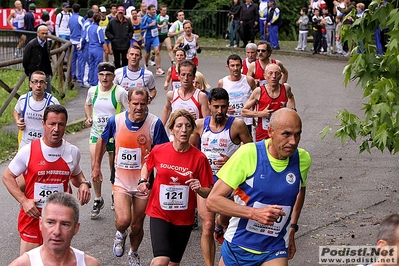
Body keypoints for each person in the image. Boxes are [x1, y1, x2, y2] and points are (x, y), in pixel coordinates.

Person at [207, 108, 312, 266]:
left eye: (297, 134)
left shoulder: (303, 159)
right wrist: (254, 213)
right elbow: (213, 200)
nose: (293, 141)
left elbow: (299, 190)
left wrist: (292, 227)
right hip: (239, 245)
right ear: (270, 131)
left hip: (275, 248)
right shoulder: (249, 154)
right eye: (286, 134)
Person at [91, 87, 169, 266]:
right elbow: (102, 140)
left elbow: (164, 151)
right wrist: (96, 166)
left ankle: (133, 252)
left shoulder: (154, 123)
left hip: (143, 183)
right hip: (121, 181)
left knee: (137, 224)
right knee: (124, 220)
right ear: (128, 103)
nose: (139, 107)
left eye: (143, 103)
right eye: (135, 103)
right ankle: (120, 233)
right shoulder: (116, 121)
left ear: (148, 102)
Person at [2, 104, 92, 255]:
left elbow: (76, 175)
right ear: (43, 124)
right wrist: (24, 201)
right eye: (52, 124)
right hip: (33, 216)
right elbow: (7, 176)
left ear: (65, 126)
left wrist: (84, 183)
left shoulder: (72, 152)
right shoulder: (28, 150)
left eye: (60, 124)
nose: (56, 129)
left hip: (59, 219)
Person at [137, 109, 213, 266]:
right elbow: (147, 165)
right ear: (171, 129)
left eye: (187, 126)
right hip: (159, 212)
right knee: (161, 260)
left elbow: (208, 191)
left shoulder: (199, 158)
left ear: (193, 129)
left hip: (184, 219)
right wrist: (143, 180)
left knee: (173, 263)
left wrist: (199, 189)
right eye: (179, 126)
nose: (183, 130)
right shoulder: (159, 150)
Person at [190, 88, 253, 266]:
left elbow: (251, 151)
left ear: (228, 106)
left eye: (223, 107)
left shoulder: (237, 125)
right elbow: (191, 149)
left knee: (225, 220)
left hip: (229, 182)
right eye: (216, 106)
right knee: (207, 226)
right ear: (209, 105)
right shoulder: (200, 124)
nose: (220, 111)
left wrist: (232, 160)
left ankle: (221, 222)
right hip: (206, 181)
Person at [84, 62, 129, 219]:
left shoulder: (120, 92)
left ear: (113, 77)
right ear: (98, 76)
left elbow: (129, 110)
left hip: (114, 134)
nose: (105, 78)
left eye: (108, 75)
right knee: (94, 164)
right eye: (102, 75)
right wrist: (89, 117)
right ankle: (98, 198)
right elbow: (87, 104)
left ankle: (113, 194)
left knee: (113, 167)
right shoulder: (93, 91)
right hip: (97, 133)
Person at [9, 192, 100, 266]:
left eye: (65, 224)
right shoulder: (22, 264)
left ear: (76, 228)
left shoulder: (89, 263)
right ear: (40, 224)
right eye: (50, 223)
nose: (57, 231)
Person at [242, 63, 296, 141]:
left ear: (280, 76)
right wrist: (261, 114)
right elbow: (244, 112)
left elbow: (291, 97)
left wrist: (292, 110)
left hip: (281, 132)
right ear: (265, 76)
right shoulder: (259, 91)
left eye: (276, 73)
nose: (273, 76)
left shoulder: (286, 88)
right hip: (263, 132)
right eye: (270, 73)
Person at [14, 71, 60, 150]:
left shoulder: (52, 102)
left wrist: (49, 120)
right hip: (25, 144)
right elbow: (16, 111)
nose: (38, 85)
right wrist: (17, 121)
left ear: (45, 85)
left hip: (44, 145)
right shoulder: (23, 99)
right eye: (35, 82)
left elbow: (60, 119)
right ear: (30, 84)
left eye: (41, 82)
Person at [161, 60, 210, 126]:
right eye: (183, 74)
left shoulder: (201, 96)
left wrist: (194, 119)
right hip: (174, 135)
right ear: (178, 76)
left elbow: (207, 122)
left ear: (193, 76)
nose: (186, 78)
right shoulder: (171, 95)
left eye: (189, 75)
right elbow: (167, 109)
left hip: (193, 135)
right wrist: (160, 128)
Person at [217, 54, 256, 134]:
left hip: (245, 120)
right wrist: (225, 109)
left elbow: (257, 98)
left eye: (238, 65)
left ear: (242, 66)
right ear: (228, 67)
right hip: (229, 119)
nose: (235, 68)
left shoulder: (249, 80)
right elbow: (218, 101)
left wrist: (254, 115)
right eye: (232, 65)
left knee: (246, 144)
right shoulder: (222, 82)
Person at [23, 25, 52, 93]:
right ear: (37, 33)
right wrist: (29, 73)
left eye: (46, 33)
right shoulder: (31, 45)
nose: (44, 35)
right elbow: (25, 61)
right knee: (35, 94)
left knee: (47, 94)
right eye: (42, 33)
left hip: (45, 73)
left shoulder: (47, 44)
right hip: (34, 73)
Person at [141, 4, 164, 75]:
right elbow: (141, 27)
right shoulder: (145, 17)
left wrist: (158, 26)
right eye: (152, 9)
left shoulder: (155, 16)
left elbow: (156, 24)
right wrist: (149, 25)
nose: (154, 11)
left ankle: (158, 68)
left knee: (157, 51)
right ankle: (146, 64)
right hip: (148, 37)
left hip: (155, 36)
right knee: (148, 53)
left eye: (154, 9)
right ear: (149, 10)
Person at [87, 13, 106, 87]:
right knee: (97, 65)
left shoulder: (89, 27)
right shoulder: (99, 28)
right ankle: (96, 82)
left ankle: (91, 80)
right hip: (97, 48)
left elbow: (87, 38)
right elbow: (101, 40)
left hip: (90, 48)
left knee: (91, 65)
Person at [68, 4, 84, 82]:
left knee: (73, 59)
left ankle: (73, 74)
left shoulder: (70, 18)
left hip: (71, 40)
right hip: (78, 41)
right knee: (80, 60)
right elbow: (84, 29)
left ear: (72, 10)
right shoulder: (80, 18)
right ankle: (80, 76)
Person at [79, 9, 94, 88]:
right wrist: (82, 45)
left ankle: (86, 79)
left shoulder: (88, 23)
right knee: (86, 64)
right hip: (86, 45)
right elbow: (84, 36)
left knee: (88, 63)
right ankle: (84, 80)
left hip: (87, 45)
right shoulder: (88, 24)